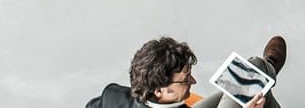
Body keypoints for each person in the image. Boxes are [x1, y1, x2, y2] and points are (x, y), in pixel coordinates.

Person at [85, 35, 286, 108]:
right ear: (158, 90)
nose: (194, 82)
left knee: (248, 80)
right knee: (254, 86)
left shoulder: (111, 96)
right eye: (185, 80)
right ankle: (266, 74)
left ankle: (264, 71)